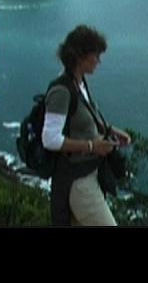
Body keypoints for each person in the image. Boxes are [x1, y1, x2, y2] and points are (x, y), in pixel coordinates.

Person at [42, 24, 131, 226]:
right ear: (80, 57)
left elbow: (85, 119)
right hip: (77, 182)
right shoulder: (62, 91)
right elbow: (50, 138)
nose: (98, 61)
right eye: (95, 55)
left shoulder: (79, 83)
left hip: (89, 174)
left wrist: (111, 131)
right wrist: (92, 146)